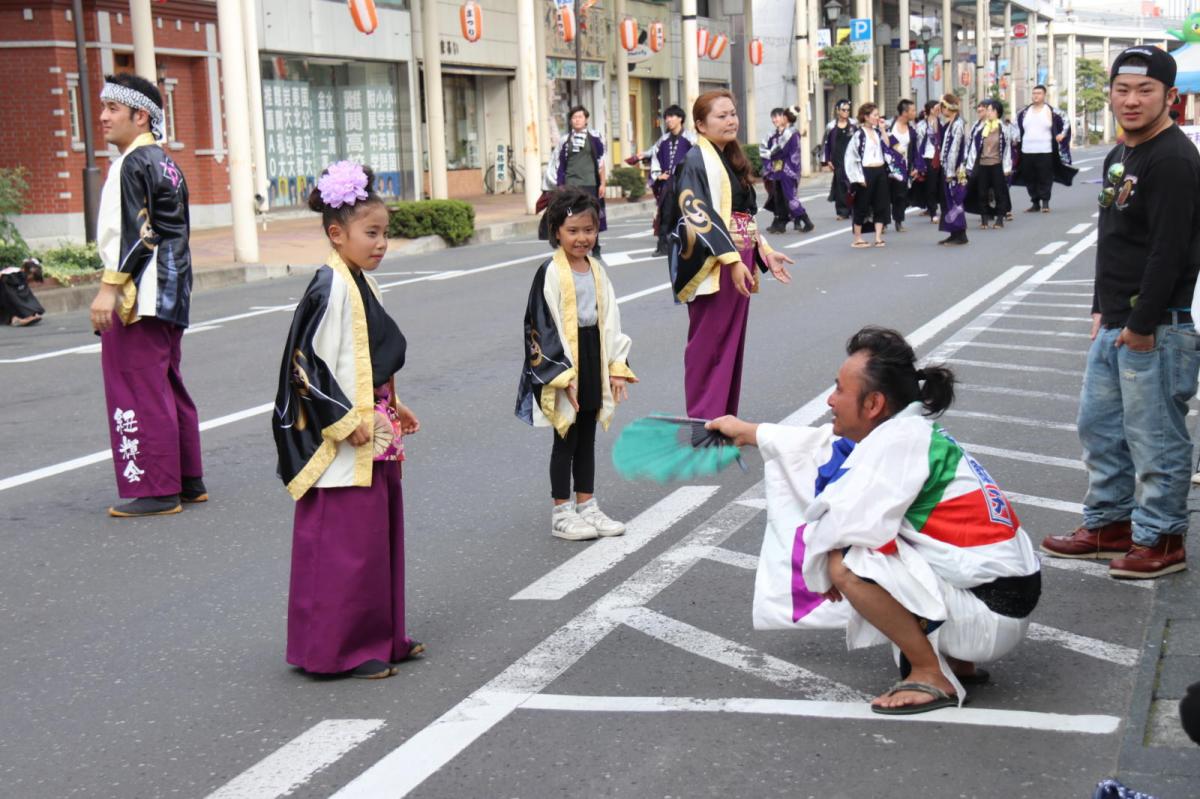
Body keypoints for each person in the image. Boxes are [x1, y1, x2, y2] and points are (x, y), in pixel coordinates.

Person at [710, 326, 1041, 714]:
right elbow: (825, 447)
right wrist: (749, 432)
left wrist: (822, 576)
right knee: (858, 548)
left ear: (873, 405)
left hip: (990, 614)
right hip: (1000, 598)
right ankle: (957, 660)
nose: (830, 400)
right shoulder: (907, 430)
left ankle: (930, 672)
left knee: (847, 560)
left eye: (839, 390)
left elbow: (842, 529)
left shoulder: (897, 445)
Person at [1040, 47, 1200, 579]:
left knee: (1155, 438)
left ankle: (1162, 539)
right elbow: (1116, 241)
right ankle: (1110, 525)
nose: (1131, 101)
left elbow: (1171, 251)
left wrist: (1140, 324)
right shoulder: (1120, 155)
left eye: (1145, 90)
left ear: (1169, 98)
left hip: (1155, 327)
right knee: (1101, 429)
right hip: (1116, 322)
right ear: (1109, 92)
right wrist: (1101, 310)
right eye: (1122, 89)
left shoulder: (1173, 160)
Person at [272, 161, 423, 680]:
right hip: (344, 433)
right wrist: (341, 420)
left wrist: (392, 401)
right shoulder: (329, 285)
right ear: (337, 234)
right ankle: (339, 649)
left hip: (371, 423)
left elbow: (367, 355)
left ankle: (380, 637)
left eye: (385, 233)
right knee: (343, 545)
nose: (381, 243)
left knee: (374, 536)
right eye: (371, 233)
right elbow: (304, 363)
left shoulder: (360, 282)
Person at [87, 73, 204, 518]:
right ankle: (188, 479)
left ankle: (158, 489)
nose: (103, 117)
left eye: (113, 109)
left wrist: (107, 290)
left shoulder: (130, 164)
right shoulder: (165, 162)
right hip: (173, 289)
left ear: (141, 116)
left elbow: (141, 235)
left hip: (142, 291)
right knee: (165, 383)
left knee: (138, 387)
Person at [664, 89, 794, 420]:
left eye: (732, 113)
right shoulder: (695, 159)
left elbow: (743, 218)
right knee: (709, 342)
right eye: (721, 116)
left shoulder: (729, 158)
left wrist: (765, 253)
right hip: (715, 262)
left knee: (730, 342)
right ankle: (703, 418)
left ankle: (722, 418)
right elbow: (697, 213)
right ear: (701, 125)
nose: (731, 120)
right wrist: (733, 261)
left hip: (738, 258)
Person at [516, 187, 636, 540]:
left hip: (593, 354)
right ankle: (561, 511)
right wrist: (560, 374)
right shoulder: (549, 272)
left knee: (587, 435)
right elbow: (541, 324)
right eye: (573, 231)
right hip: (564, 362)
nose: (582, 238)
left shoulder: (597, 269)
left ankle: (587, 505)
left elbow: (610, 317)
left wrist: (616, 365)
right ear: (556, 231)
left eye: (589, 230)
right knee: (565, 436)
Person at [552, 106, 608, 256]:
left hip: (590, 184)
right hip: (570, 186)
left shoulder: (595, 138)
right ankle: (569, 246)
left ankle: (595, 246)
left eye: (580, 117)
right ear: (570, 121)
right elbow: (558, 163)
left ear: (586, 120)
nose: (577, 120)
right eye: (574, 117)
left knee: (591, 215)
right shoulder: (564, 140)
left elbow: (601, 162)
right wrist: (559, 186)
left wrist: (602, 183)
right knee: (569, 214)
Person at [1014, 85, 1077, 213]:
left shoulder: (1051, 111)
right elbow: (1015, 127)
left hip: (1045, 150)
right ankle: (1035, 202)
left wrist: (1062, 134)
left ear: (1044, 95)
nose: (1035, 96)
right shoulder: (1023, 112)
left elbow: (1066, 121)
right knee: (1029, 177)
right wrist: (1015, 139)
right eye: (1034, 93)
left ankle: (1045, 202)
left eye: (1039, 93)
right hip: (1027, 150)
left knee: (1045, 176)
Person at [646, 105, 694, 256]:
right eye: (666, 117)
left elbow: (698, 158)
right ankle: (662, 246)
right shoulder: (663, 140)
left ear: (680, 118)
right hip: (668, 183)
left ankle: (687, 246)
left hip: (686, 183)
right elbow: (654, 157)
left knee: (686, 214)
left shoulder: (691, 138)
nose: (668, 120)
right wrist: (657, 174)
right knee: (666, 214)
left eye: (672, 116)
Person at [845, 103, 894, 248]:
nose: (877, 117)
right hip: (865, 171)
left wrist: (883, 129)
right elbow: (851, 157)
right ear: (866, 117)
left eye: (878, 115)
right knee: (861, 204)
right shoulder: (859, 134)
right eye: (874, 115)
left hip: (880, 170)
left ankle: (878, 237)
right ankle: (857, 238)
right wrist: (858, 177)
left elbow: (887, 146)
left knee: (881, 204)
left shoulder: (878, 132)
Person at [761, 107, 815, 235]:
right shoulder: (783, 133)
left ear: (786, 118)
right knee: (779, 196)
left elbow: (780, 151)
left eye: (780, 116)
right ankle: (781, 223)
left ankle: (806, 220)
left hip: (787, 169)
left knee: (790, 197)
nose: (776, 119)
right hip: (779, 169)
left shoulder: (790, 133)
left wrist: (768, 154)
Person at [964, 98, 1015, 229]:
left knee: (999, 193)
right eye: (988, 110)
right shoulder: (981, 128)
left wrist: (1007, 167)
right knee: (982, 193)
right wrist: (968, 165)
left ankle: (999, 219)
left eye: (991, 110)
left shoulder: (1003, 129)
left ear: (997, 112)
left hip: (997, 165)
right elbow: (973, 148)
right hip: (982, 165)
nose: (988, 112)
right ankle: (984, 219)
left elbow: (1007, 149)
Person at [936, 93, 970, 246]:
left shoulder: (958, 124)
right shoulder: (950, 124)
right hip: (947, 168)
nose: (941, 109)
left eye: (943, 106)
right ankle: (953, 232)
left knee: (955, 201)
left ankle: (960, 234)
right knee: (947, 201)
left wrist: (950, 172)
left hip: (954, 170)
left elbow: (955, 149)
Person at [886, 99, 923, 233]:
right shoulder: (889, 126)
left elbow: (915, 151)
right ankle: (883, 222)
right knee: (885, 195)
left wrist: (916, 167)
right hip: (887, 166)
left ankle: (898, 221)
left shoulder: (911, 130)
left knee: (900, 195)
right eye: (912, 110)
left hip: (903, 167)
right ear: (904, 112)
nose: (915, 112)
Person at [822, 99, 857, 220]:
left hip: (852, 159)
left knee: (853, 185)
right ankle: (842, 211)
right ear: (837, 110)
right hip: (838, 160)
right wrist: (827, 160)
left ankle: (854, 209)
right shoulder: (831, 126)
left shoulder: (854, 124)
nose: (846, 112)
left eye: (848, 110)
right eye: (843, 110)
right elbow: (826, 144)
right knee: (840, 186)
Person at [915, 100, 943, 221]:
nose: (939, 111)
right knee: (930, 186)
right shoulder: (922, 125)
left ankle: (943, 208)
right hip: (929, 157)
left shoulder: (941, 123)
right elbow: (918, 144)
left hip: (941, 158)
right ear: (931, 109)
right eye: (937, 108)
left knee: (941, 185)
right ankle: (932, 212)